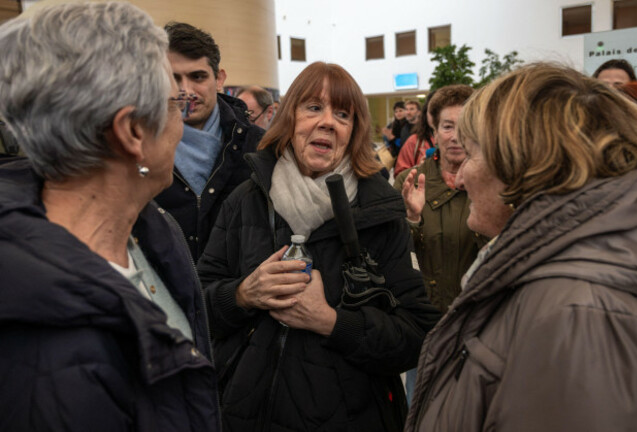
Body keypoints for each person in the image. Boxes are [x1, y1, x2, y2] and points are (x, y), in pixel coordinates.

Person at [0, 3, 219, 431]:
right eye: (174, 105)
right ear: (133, 132)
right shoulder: (44, 347)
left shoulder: (152, 229)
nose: (181, 126)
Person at [406, 63, 637, 431]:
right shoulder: (557, 288)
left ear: (520, 166)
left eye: (472, 153)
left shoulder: (577, 315)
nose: (461, 178)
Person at [198, 61, 440, 432]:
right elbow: (199, 305)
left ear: (353, 130)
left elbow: (416, 335)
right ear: (289, 118)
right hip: (245, 414)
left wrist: (332, 322)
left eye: (342, 113)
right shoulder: (246, 200)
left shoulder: (380, 212)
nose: (327, 121)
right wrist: (244, 293)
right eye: (313, 108)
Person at [394, 85, 483, 404]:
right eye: (448, 126)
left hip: (476, 327)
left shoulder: (492, 180)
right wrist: (412, 220)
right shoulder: (410, 180)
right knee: (420, 406)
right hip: (424, 325)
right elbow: (395, 255)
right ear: (433, 128)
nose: (456, 136)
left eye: (464, 127)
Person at [155, 22, 264, 262]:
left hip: (239, 294)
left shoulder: (259, 146)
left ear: (219, 78)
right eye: (173, 78)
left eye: (198, 76)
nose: (186, 90)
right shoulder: (138, 147)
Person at [394, 91, 436, 176]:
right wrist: (419, 169)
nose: (408, 112)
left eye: (411, 109)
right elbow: (400, 175)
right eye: (407, 109)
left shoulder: (463, 140)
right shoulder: (413, 139)